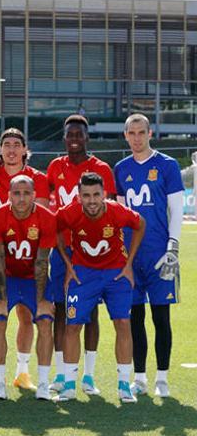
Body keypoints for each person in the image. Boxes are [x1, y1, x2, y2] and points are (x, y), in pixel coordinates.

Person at [54, 173, 145, 403]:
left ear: (104, 194)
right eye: (86, 195)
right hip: (83, 273)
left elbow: (140, 224)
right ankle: (69, 386)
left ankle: (125, 386)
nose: (92, 200)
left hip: (116, 272)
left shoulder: (117, 211)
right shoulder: (69, 213)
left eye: (96, 195)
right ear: (79, 197)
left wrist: (128, 264)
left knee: (123, 323)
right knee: (72, 326)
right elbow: (54, 228)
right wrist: (68, 264)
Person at [114, 113, 184, 398]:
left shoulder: (167, 165)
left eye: (141, 132)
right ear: (126, 135)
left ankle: (162, 379)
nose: (137, 138)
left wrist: (173, 246)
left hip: (159, 255)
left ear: (150, 133)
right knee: (135, 318)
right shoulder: (120, 168)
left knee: (161, 318)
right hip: (131, 256)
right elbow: (119, 216)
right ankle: (140, 378)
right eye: (132, 133)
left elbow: (177, 209)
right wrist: (121, 256)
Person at [46, 114, 116, 395]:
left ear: (87, 138)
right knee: (61, 309)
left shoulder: (101, 169)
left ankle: (88, 376)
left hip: (92, 251)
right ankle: (63, 374)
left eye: (79, 134)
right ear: (64, 138)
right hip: (61, 249)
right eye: (69, 135)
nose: (74, 139)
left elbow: (107, 210)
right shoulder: (54, 167)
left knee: (90, 313)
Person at [0, 128, 50, 390]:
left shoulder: (37, 179)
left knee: (26, 315)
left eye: (16, 144)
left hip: (29, 256)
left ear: (24, 149)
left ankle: (22, 372)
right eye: (6, 144)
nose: (11, 149)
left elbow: (38, 216)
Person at [0, 175, 56, 400]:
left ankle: (43, 384)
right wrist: (2, 299)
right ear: (9, 196)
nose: (22, 198)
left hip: (34, 277)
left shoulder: (46, 217)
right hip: (5, 275)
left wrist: (43, 298)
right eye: (17, 193)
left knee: (45, 320)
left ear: (35, 195)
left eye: (27, 193)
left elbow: (42, 261)